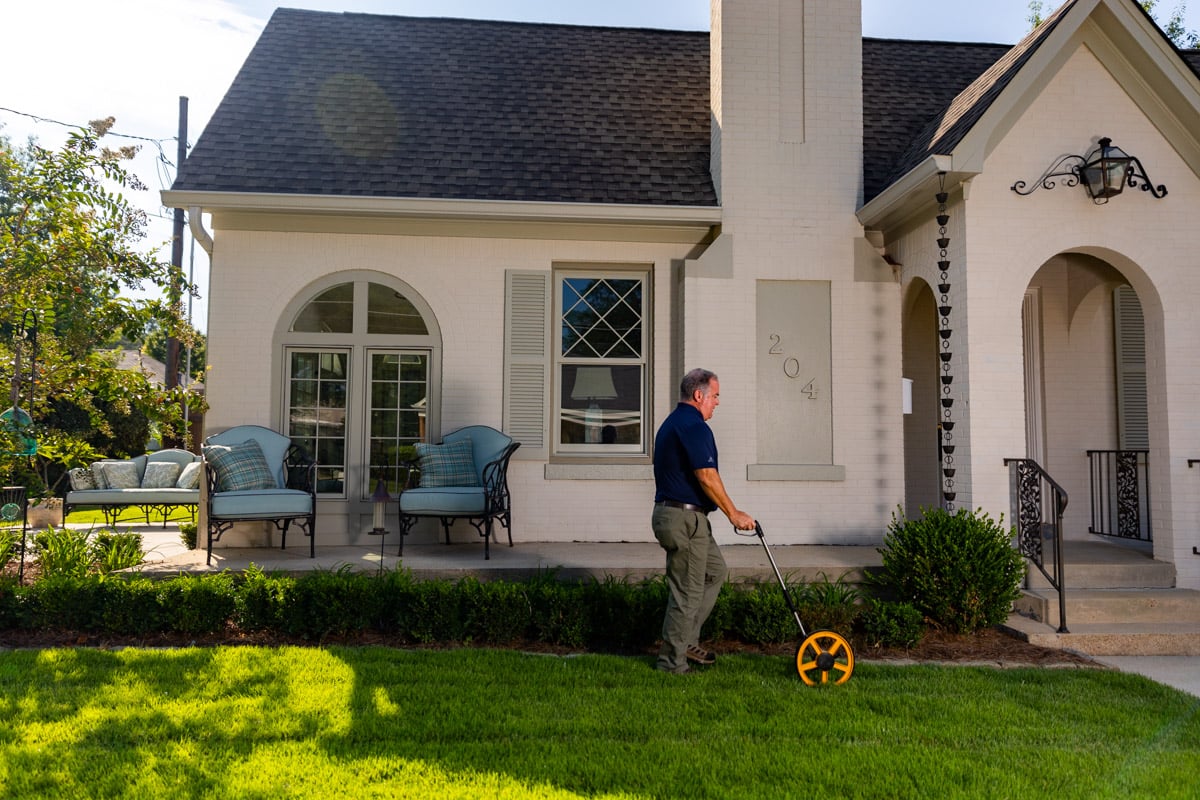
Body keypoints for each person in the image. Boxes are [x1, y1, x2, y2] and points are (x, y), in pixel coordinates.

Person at [652, 368, 755, 674]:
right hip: (684, 519)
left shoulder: (675, 423)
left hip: (683, 517)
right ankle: (672, 663)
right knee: (687, 592)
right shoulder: (693, 426)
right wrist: (734, 514)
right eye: (715, 396)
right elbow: (707, 476)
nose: (717, 403)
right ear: (699, 395)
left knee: (715, 571)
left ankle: (685, 642)